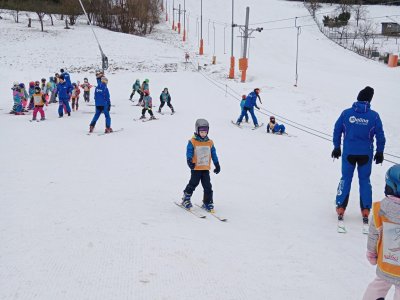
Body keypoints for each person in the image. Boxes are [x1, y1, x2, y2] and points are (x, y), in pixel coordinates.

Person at [332, 86, 386, 225]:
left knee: (346, 178)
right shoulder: (374, 116)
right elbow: (380, 135)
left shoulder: (346, 114)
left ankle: (341, 207)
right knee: (365, 180)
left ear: (358, 98)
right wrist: (380, 152)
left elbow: (337, 130)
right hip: (365, 155)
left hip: (349, 153)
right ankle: (366, 209)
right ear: (369, 100)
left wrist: (337, 147)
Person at [362, 164, 400, 300]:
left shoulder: (380, 209)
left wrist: (372, 253)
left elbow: (373, 234)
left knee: (378, 286)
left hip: (387, 263)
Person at [181, 119, 221, 212]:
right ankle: (185, 199)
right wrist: (189, 161)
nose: (203, 134)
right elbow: (189, 152)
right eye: (201, 132)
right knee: (193, 184)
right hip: (196, 168)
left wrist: (217, 164)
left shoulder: (210, 142)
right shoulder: (193, 141)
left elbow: (213, 154)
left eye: (205, 132)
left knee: (208, 186)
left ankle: (207, 202)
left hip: (205, 168)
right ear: (197, 130)